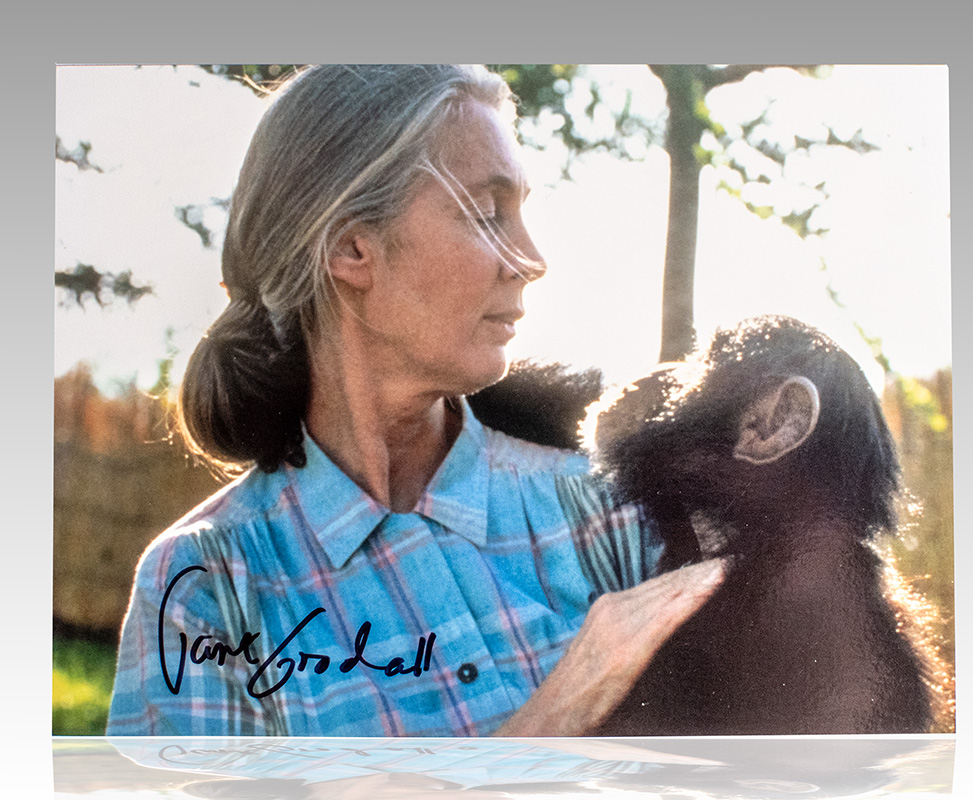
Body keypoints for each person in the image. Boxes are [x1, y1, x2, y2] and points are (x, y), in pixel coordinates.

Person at [106, 64, 725, 737]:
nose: (530, 257)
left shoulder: (608, 510)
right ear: (352, 249)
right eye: (487, 214)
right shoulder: (207, 587)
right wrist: (545, 728)